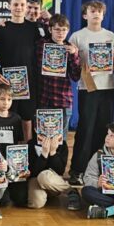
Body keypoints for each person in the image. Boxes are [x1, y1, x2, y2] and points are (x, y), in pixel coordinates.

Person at [67, 0, 114, 189]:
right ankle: (77, 170)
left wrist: (108, 61)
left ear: (103, 15)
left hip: (107, 88)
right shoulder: (77, 36)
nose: (96, 14)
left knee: (103, 129)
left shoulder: (110, 35)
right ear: (85, 15)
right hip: (87, 88)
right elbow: (72, 63)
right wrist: (80, 62)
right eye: (92, 11)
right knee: (85, 128)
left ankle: (98, 169)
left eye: (99, 11)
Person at [0, 0, 46, 142]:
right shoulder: (1, 27)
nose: (19, 7)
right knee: (5, 117)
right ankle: (5, 151)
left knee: (27, 118)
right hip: (6, 81)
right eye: (15, 4)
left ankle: (27, 152)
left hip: (28, 82)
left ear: (26, 7)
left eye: (22, 5)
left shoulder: (34, 28)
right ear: (9, 6)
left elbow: (50, 45)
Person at [32, 13, 81, 142]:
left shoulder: (71, 49)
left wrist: (73, 55)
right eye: (57, 29)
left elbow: (76, 77)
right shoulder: (41, 44)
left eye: (64, 30)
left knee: (60, 141)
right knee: (42, 140)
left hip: (62, 101)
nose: (60, 33)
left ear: (68, 31)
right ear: (50, 30)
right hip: (44, 99)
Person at [0, 82, 29, 207]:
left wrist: (23, 165)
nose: (6, 103)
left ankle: (10, 188)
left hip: (13, 165)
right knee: (3, 202)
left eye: (9, 99)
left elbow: (20, 143)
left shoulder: (16, 118)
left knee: (21, 199)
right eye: (2, 99)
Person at [27, 117, 70, 209]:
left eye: (52, 127)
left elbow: (60, 171)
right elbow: (33, 172)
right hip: (36, 178)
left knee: (44, 176)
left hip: (52, 179)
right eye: (45, 127)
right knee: (36, 203)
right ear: (36, 129)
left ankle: (70, 189)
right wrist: (44, 154)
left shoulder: (62, 144)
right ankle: (45, 195)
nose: (48, 130)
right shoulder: (31, 144)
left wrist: (53, 152)